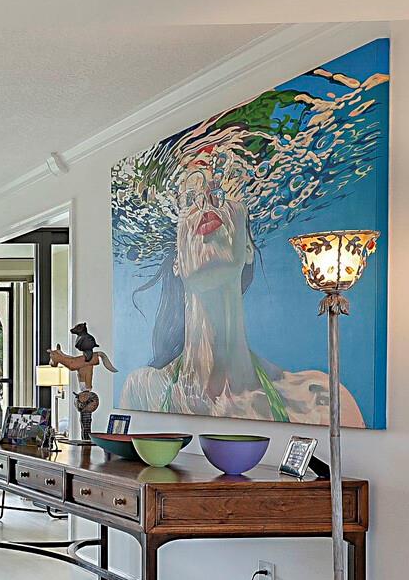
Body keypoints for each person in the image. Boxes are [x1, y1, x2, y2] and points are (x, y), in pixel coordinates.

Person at [119, 150, 361, 426]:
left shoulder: (318, 400)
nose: (206, 201)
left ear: (247, 247)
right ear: (177, 262)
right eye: (189, 199)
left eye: (219, 191)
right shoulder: (143, 389)